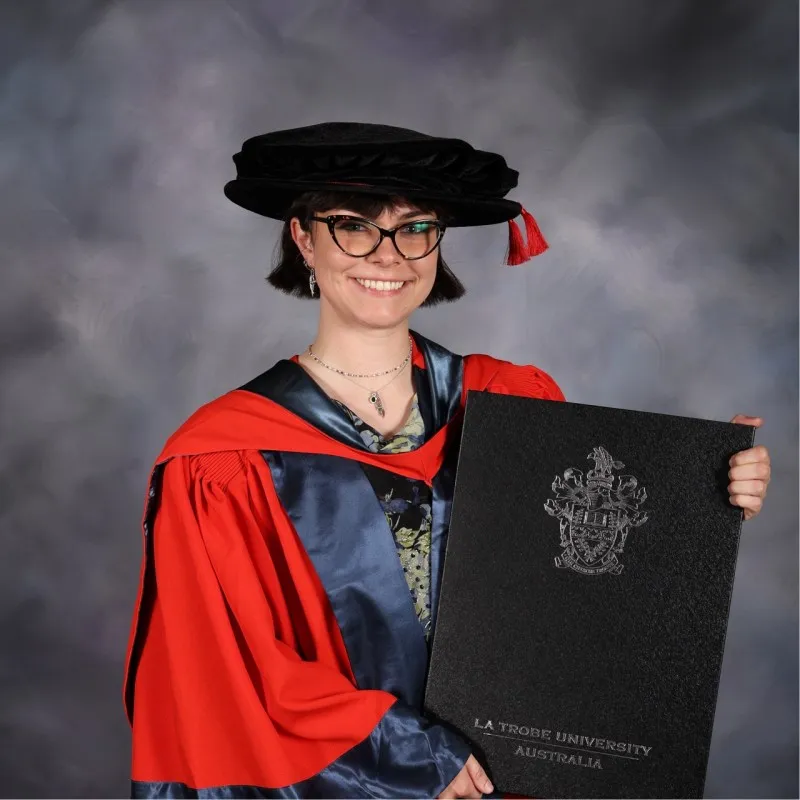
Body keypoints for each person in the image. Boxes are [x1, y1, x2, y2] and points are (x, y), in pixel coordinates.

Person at [123, 122, 771, 799]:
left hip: (515, 779)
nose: (388, 256)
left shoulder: (510, 400)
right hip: (357, 784)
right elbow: (225, 668)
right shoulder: (225, 457)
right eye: (353, 226)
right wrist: (411, 756)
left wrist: (702, 491)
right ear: (303, 239)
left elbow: (585, 590)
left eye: (415, 228)